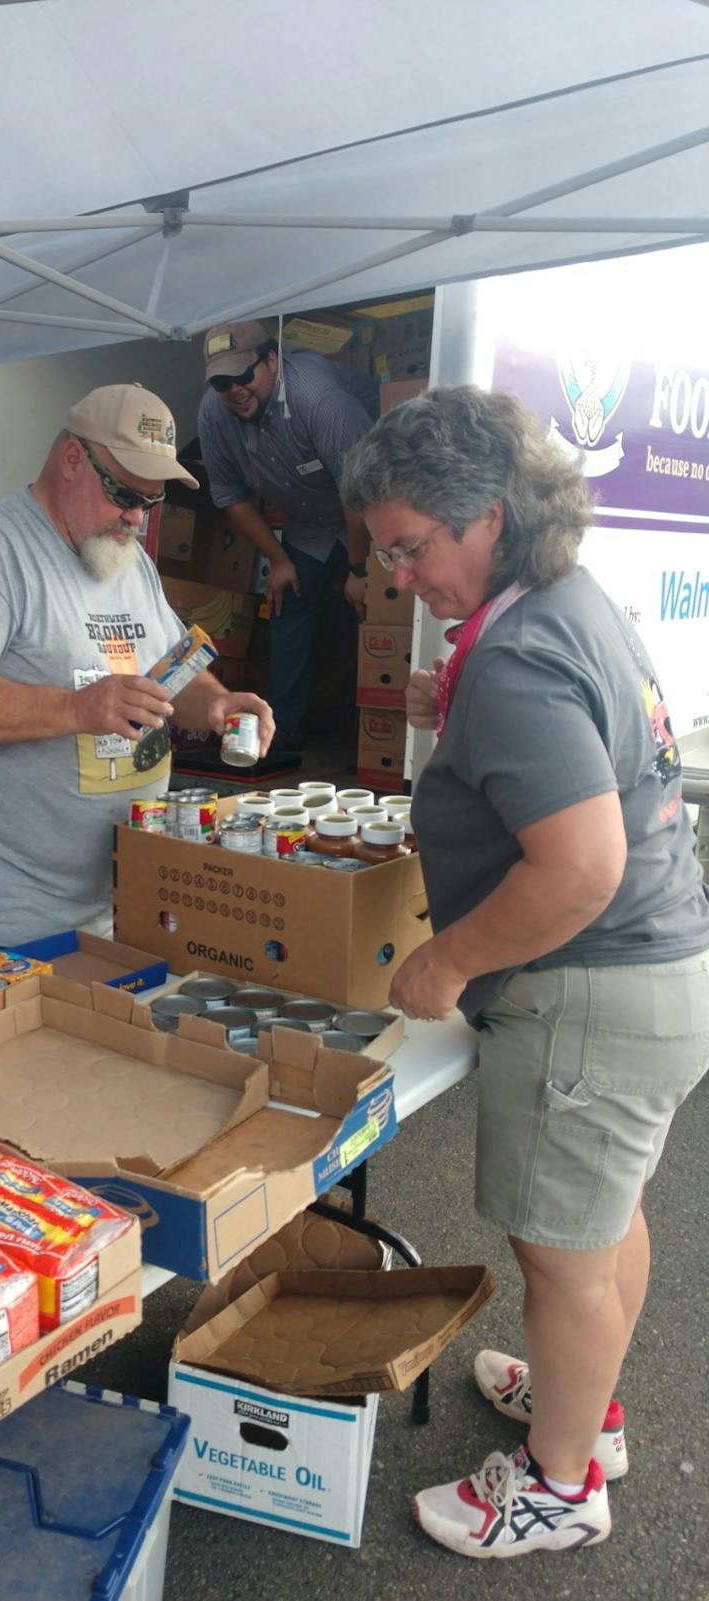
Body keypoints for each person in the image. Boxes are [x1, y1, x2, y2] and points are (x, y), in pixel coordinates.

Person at [340, 384, 709, 1560]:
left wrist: (448, 957)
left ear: (489, 515)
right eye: (385, 552)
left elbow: (582, 866)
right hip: (657, 969)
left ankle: (560, 1485)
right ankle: (581, 1410)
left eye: (411, 546)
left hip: (590, 988)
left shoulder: (519, 654)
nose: (400, 575)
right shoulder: (562, 600)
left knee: (560, 1258)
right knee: (601, 1223)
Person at [0, 383, 274, 952]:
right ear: (73, 459)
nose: (135, 517)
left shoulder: (125, 558)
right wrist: (78, 708)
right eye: (124, 493)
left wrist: (215, 702)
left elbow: (170, 669)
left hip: (107, 897)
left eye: (150, 503)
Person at [197, 319, 378, 754]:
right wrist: (278, 560)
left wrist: (359, 569)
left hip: (371, 513)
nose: (234, 389)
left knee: (373, 611)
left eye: (243, 375)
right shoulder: (212, 414)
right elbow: (229, 496)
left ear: (272, 361)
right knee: (286, 603)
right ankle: (279, 738)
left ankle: (369, 744)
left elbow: (360, 494)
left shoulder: (318, 398)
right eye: (221, 382)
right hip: (309, 523)